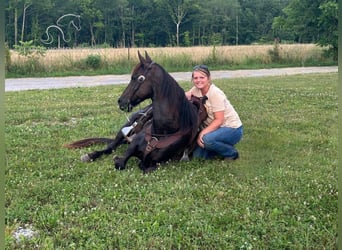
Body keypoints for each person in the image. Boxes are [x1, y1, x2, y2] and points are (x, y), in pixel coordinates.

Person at [185, 64, 243, 161]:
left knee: (207, 140)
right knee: (198, 157)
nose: (198, 80)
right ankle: (217, 146)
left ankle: (231, 153)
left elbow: (219, 120)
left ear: (209, 78)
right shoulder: (195, 90)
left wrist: (202, 133)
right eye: (195, 78)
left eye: (202, 77)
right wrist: (185, 95)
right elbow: (185, 97)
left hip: (231, 128)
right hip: (213, 129)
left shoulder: (215, 93)